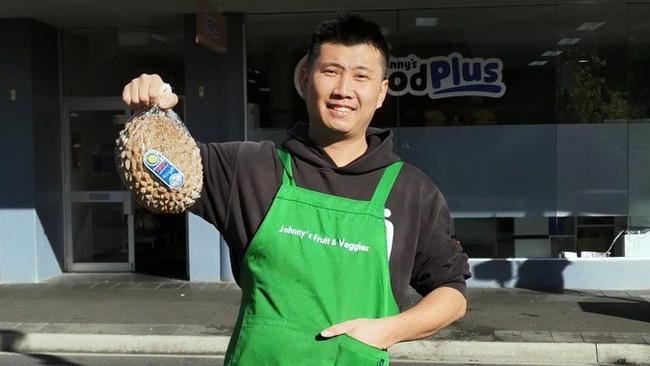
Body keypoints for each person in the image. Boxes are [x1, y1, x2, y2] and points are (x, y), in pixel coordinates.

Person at [122, 12, 470, 366]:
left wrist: (385, 331)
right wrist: (148, 112)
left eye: (361, 76)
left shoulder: (412, 191)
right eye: (330, 71)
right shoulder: (248, 168)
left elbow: (451, 294)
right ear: (305, 79)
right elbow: (156, 168)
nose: (343, 90)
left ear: (381, 93)